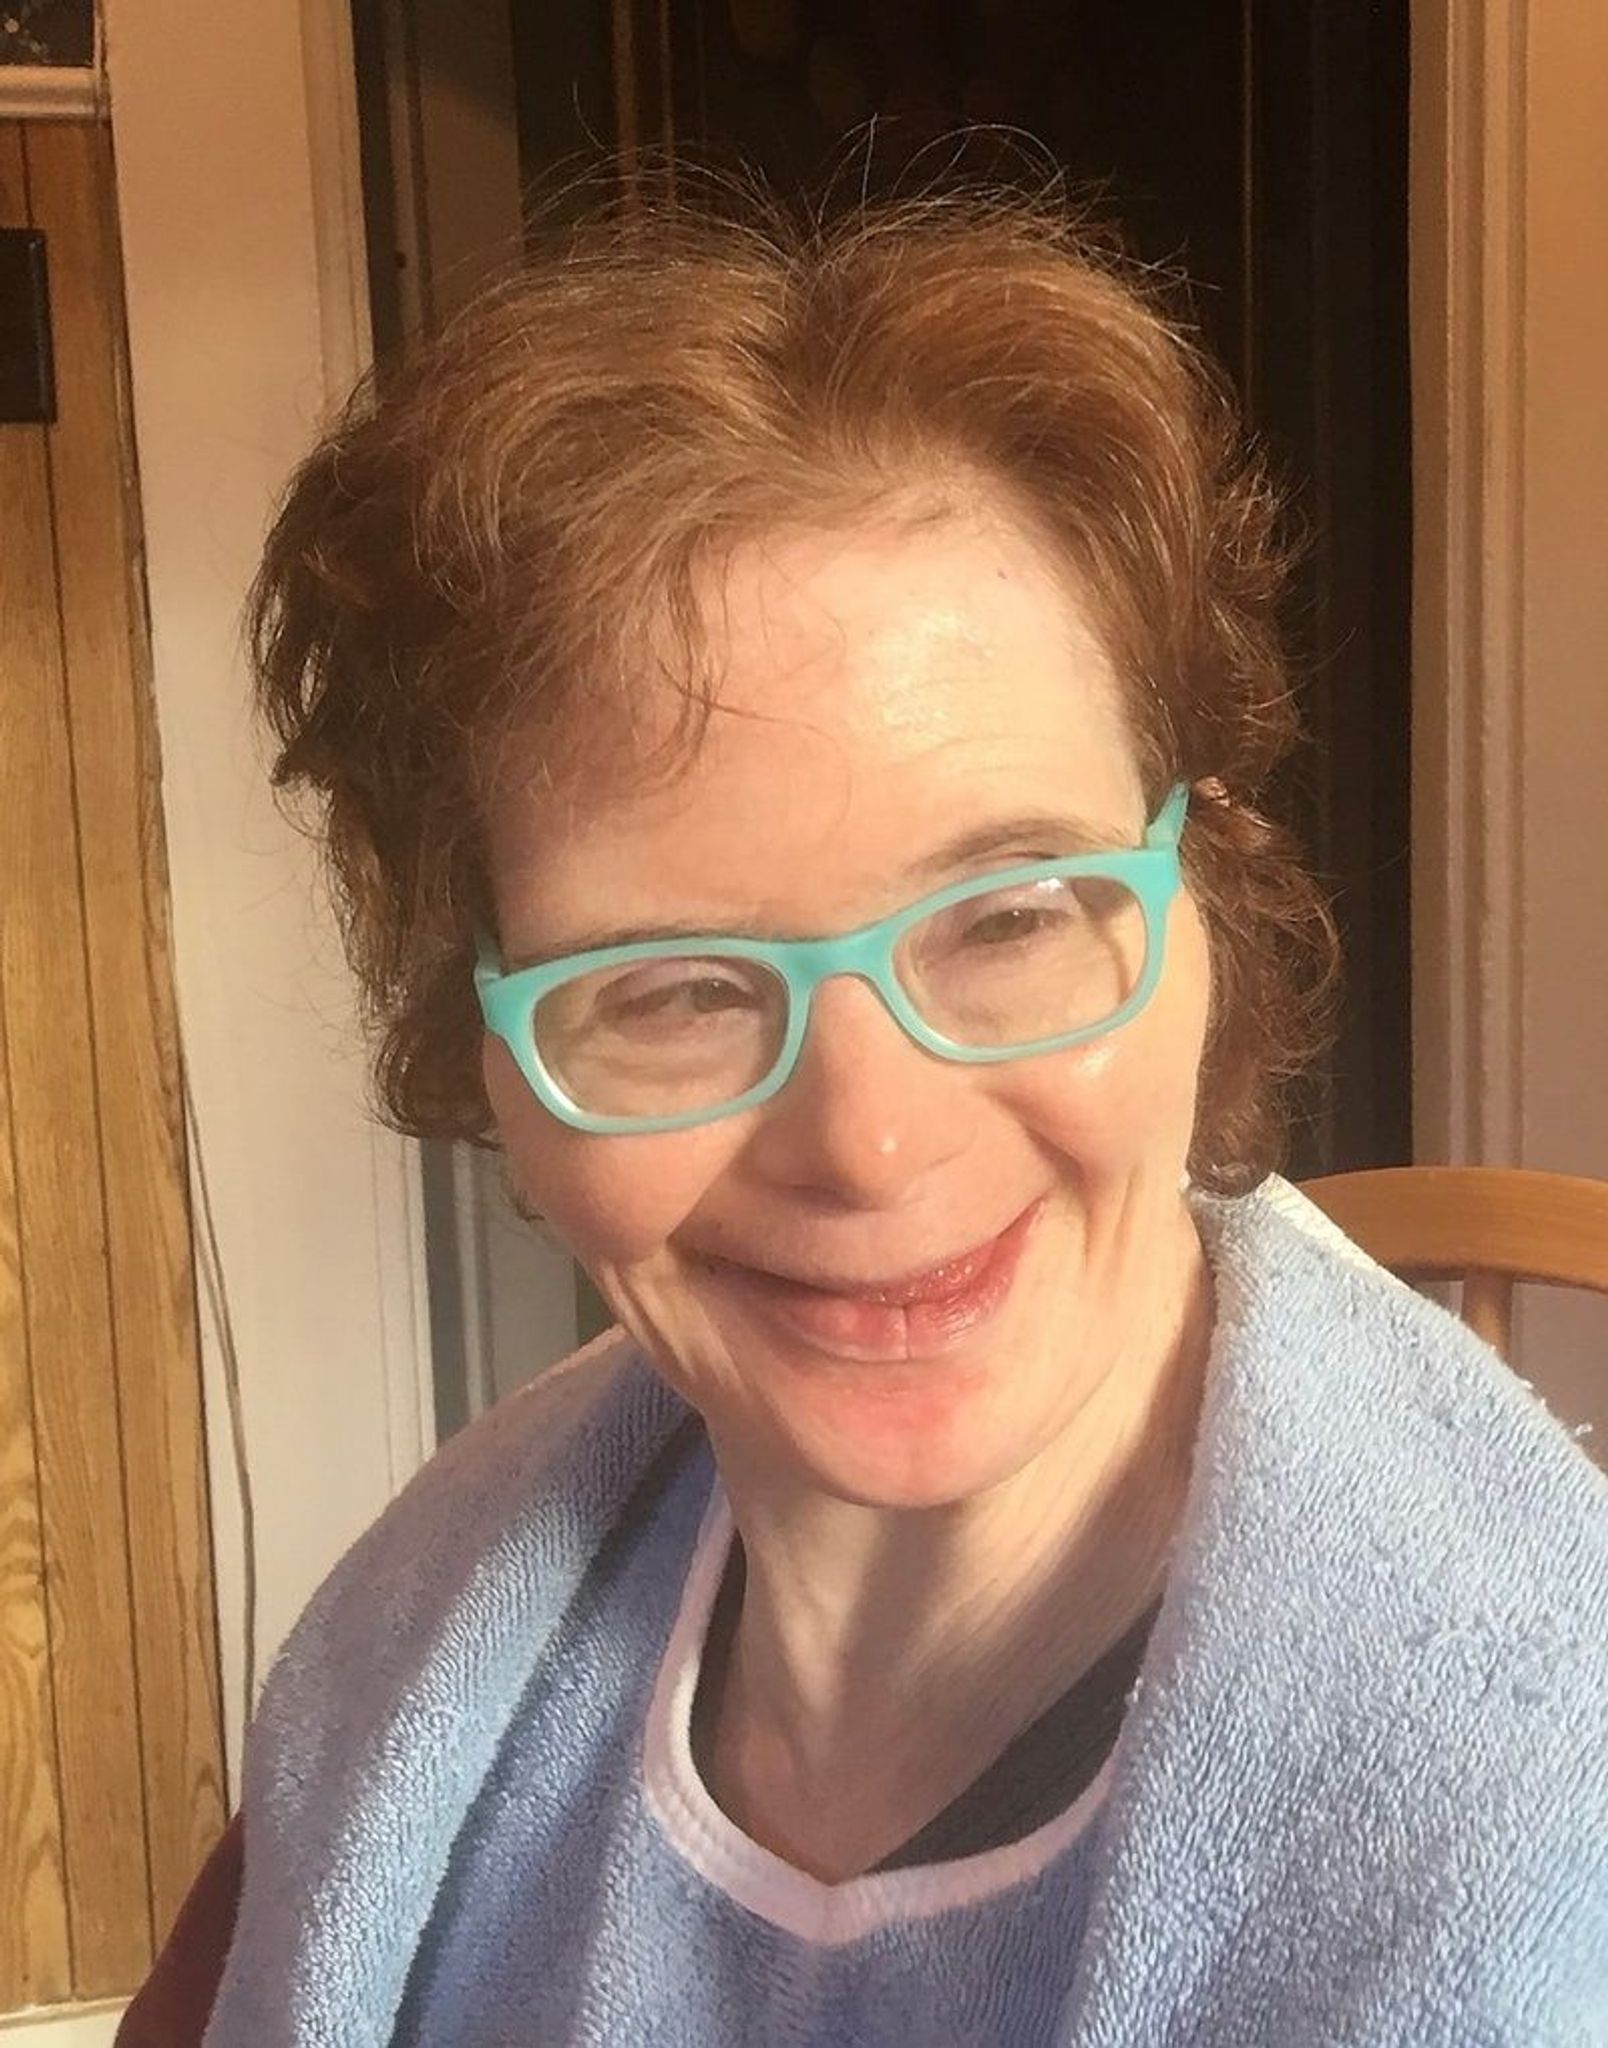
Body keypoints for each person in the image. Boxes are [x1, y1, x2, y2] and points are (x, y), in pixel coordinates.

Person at [119, 180, 1607, 2047]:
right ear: (480, 1049)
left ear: (1206, 907)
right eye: (668, 987)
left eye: (1008, 918)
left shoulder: (1544, 1833)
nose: (870, 1143)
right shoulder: (401, 1677)